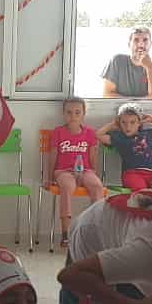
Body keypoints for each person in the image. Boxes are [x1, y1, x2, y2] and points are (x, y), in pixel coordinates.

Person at [45, 97, 106, 245]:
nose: (73, 116)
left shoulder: (90, 133)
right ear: (63, 113)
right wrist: (49, 177)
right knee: (67, 187)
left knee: (97, 186)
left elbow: (93, 157)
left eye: (77, 112)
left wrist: (94, 174)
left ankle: (95, 230)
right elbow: (52, 156)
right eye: (69, 112)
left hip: (86, 171)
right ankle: (66, 233)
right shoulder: (58, 132)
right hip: (64, 171)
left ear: (83, 114)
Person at [103, 103, 152, 196]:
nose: (128, 126)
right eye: (123, 122)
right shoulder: (119, 137)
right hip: (132, 173)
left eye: (132, 122)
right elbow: (98, 134)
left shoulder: (149, 134)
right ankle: (146, 204)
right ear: (119, 123)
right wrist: (113, 123)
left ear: (139, 123)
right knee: (142, 194)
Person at [100, 27, 152, 99]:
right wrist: (135, 102)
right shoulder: (117, 61)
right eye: (136, 40)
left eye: (145, 40)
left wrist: (150, 67)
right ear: (129, 44)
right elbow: (107, 94)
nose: (141, 45)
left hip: (147, 107)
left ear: (150, 44)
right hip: (122, 106)